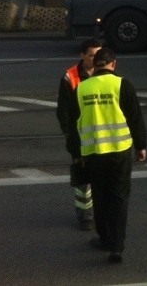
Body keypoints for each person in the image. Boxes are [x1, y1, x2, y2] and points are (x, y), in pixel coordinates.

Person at [67, 47, 147, 264]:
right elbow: (135, 117)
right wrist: (141, 146)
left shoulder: (82, 88)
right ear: (114, 64)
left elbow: (73, 123)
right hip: (120, 151)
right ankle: (117, 246)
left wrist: (76, 152)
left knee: (100, 197)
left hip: (93, 153)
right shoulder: (122, 84)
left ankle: (104, 239)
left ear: (96, 65)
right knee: (119, 197)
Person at [56, 38, 103, 230]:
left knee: (101, 177)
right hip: (80, 136)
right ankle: (85, 216)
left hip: (101, 135)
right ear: (82, 55)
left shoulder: (105, 72)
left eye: (98, 55)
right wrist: (69, 135)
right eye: (92, 55)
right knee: (83, 179)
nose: (96, 59)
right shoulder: (70, 77)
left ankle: (100, 213)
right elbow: (63, 111)